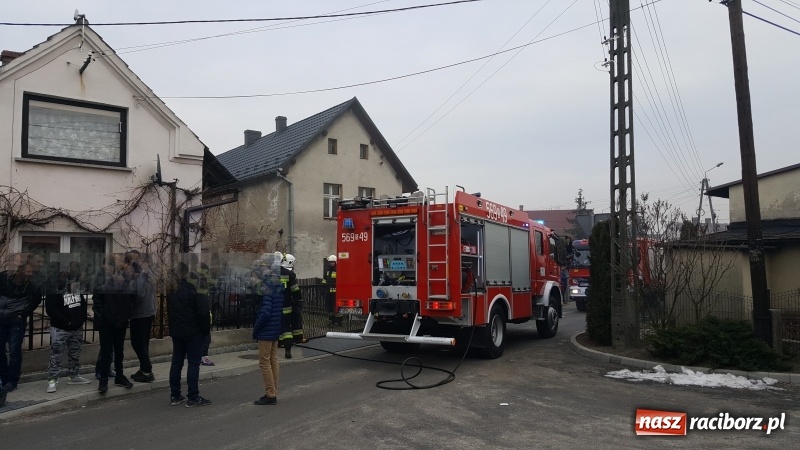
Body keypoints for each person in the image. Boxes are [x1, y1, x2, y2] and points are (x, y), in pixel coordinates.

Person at [167, 262, 211, 407]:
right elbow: (203, 311)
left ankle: (175, 395)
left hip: (177, 331)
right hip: (193, 332)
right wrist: (205, 330)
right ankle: (193, 397)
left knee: (177, 362)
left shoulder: (172, 289)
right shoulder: (194, 289)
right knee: (193, 363)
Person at [94, 255, 136, 394]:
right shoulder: (103, 280)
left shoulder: (126, 281)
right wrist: (101, 315)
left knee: (119, 351)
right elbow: (97, 298)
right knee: (106, 351)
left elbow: (133, 298)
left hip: (121, 321)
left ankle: (119, 376)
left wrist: (127, 313)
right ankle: (103, 379)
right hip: (106, 322)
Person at [45, 271, 90, 393]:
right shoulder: (53, 291)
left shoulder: (74, 289)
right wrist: (67, 322)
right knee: (56, 355)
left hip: (76, 328)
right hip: (60, 329)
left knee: (75, 353)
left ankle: (74, 375)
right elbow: (51, 310)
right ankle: (52, 380)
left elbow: (83, 304)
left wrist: (81, 320)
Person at [0, 261, 42, 393]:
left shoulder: (32, 284)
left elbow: (36, 300)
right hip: (1, 319)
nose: (29, 275)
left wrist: (23, 313)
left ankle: (12, 380)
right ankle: (3, 377)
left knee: (14, 351)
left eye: (31, 272)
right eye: (27, 272)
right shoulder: (4, 278)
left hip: (16, 320)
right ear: (20, 270)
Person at [252, 254, 283, 405]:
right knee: (273, 360)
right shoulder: (276, 283)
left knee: (264, 362)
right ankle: (273, 390)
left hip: (266, 330)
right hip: (275, 328)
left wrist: (256, 328)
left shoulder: (267, 287)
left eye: (262, 266)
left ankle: (270, 394)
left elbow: (265, 312)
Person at [130, 253, 157, 383]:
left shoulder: (138, 278)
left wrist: (131, 309)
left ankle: (147, 370)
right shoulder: (149, 277)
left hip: (140, 314)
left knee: (137, 343)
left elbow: (138, 296)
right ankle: (143, 369)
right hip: (149, 313)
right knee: (143, 343)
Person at [323, 255, 342, 326]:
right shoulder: (328, 270)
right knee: (329, 307)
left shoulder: (338, 270)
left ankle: (339, 321)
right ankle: (331, 320)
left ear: (335, 262)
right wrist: (323, 287)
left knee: (336, 307)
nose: (331, 263)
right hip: (328, 291)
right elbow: (325, 279)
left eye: (332, 262)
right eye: (330, 262)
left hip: (335, 292)